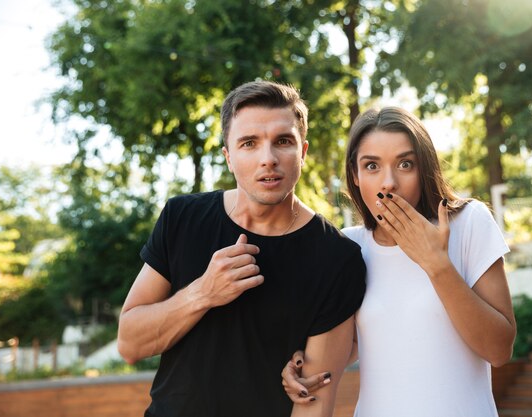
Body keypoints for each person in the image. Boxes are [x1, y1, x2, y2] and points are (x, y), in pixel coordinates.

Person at [117, 80, 367, 417]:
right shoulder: (183, 218)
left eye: (283, 141)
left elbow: (312, 405)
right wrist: (203, 293)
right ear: (229, 157)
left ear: (303, 152)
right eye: (249, 143)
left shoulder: (337, 258)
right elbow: (130, 344)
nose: (268, 159)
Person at [282, 107, 517, 416]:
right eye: (372, 166)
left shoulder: (468, 223)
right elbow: (348, 346)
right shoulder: (348, 246)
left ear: (425, 168)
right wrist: (298, 365)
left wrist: (438, 266)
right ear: (355, 174)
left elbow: (499, 351)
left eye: (405, 164)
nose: (389, 182)